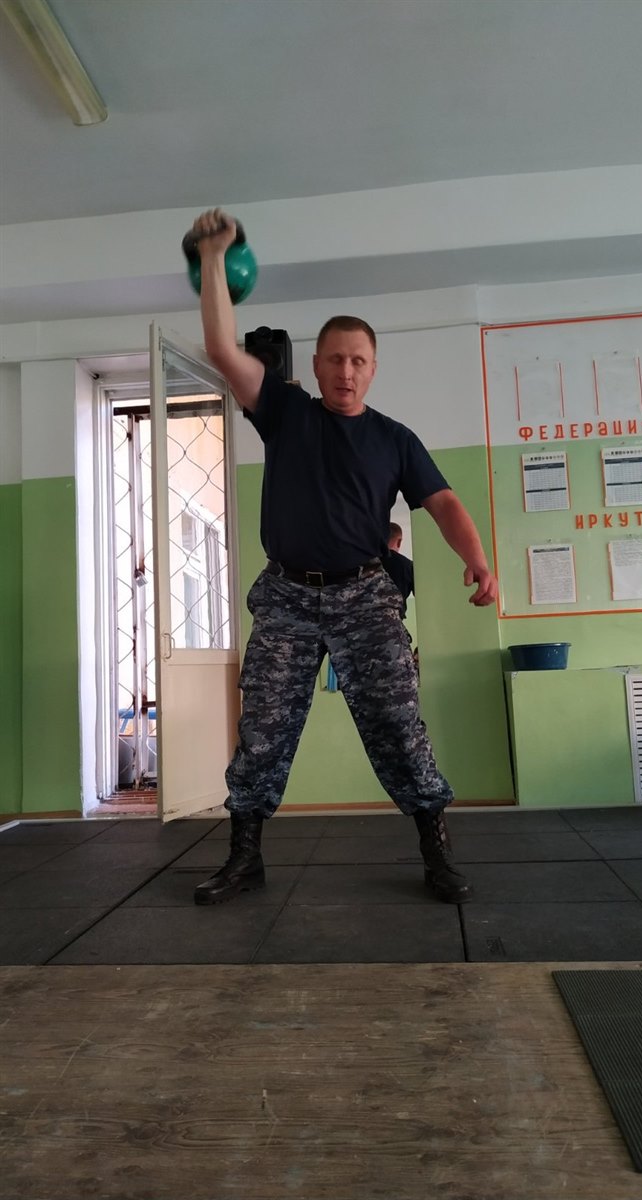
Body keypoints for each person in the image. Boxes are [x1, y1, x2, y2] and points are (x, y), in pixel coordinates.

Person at [190, 209, 498, 908]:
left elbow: (443, 502)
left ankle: (436, 853)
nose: (346, 371)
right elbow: (220, 347)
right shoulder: (285, 411)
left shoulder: (395, 439)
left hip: (365, 597)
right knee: (262, 730)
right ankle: (245, 858)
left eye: (358, 361)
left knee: (399, 725)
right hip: (287, 597)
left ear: (373, 368)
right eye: (334, 359)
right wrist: (212, 258)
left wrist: (479, 560)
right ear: (317, 365)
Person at [383, 521, 414, 616]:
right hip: (394, 618)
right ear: (399, 542)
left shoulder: (367, 562)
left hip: (363, 619)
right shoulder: (407, 565)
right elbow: (421, 595)